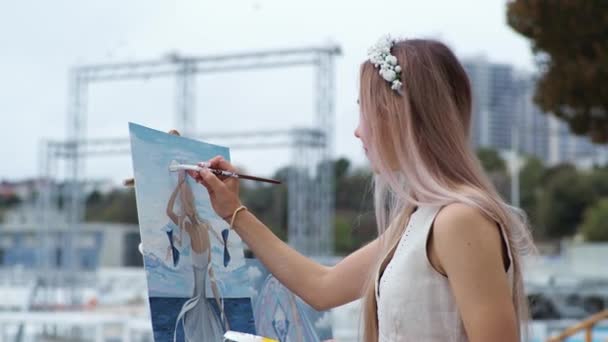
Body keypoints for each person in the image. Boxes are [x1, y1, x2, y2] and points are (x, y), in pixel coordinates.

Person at [187, 36, 535, 342]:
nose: (358, 132)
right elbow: (322, 287)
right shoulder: (420, 220)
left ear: (397, 115)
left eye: (364, 112)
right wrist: (233, 211)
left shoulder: (459, 220)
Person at [172, 171, 231, 342]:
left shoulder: (200, 227)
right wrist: (179, 186)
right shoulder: (192, 227)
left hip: (200, 298)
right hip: (198, 298)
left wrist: (222, 311)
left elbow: (212, 278)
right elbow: (171, 211)